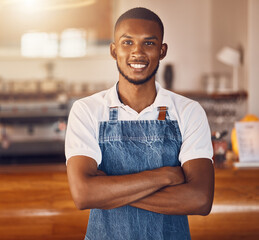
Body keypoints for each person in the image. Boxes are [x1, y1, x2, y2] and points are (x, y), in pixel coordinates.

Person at [65, 7, 214, 240]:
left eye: (149, 43)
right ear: (114, 51)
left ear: (162, 51)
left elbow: (200, 199)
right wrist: (165, 177)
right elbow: (84, 195)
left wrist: (107, 191)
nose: (137, 52)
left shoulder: (188, 111)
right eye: (127, 43)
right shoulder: (87, 110)